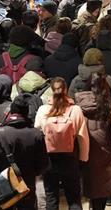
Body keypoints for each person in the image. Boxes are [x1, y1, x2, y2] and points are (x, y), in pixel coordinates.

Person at [0, 95, 50, 210]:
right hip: (27, 189)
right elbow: (43, 165)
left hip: (4, 189)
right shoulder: (36, 134)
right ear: (27, 112)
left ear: (12, 111)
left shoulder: (1, 133)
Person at [34, 78, 89, 210]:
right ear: (66, 90)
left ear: (51, 91)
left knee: (51, 197)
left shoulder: (43, 110)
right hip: (70, 158)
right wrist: (83, 159)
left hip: (49, 160)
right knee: (74, 198)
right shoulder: (75, 110)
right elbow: (83, 137)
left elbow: (37, 134)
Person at [75, 72, 111, 210]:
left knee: (92, 184)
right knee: (104, 186)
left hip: (88, 151)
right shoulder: (109, 105)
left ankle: (93, 205)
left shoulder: (79, 106)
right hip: (107, 151)